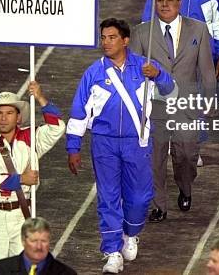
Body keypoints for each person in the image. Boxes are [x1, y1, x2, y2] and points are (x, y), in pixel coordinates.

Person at [66, 18, 176, 274]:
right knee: (108, 197)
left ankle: (131, 232)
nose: (106, 42)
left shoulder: (145, 66)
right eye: (103, 37)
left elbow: (172, 92)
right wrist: (73, 147)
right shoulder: (93, 73)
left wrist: (159, 75)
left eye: (112, 37)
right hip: (103, 144)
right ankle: (112, 251)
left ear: (125, 40)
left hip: (137, 142)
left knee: (139, 197)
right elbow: (79, 111)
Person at [130, 0, 216, 223]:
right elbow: (133, 74)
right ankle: (159, 205)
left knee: (186, 155)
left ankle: (185, 187)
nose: (164, 5)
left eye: (169, 0)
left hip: (186, 105)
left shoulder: (197, 29)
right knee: (154, 157)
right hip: (153, 105)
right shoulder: (141, 33)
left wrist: (209, 99)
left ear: (179, 3)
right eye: (159, 0)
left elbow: (207, 69)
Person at [0, 81, 65, 271]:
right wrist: (21, 179)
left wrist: (40, 97)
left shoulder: (31, 137)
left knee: (25, 270)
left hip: (23, 215)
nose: (3, 118)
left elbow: (57, 127)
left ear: (19, 117)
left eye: (9, 113)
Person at [0, 217, 76, 275]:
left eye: (43, 241)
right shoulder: (2, 270)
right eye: (34, 241)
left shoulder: (66, 273)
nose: (39, 247)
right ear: (23, 241)